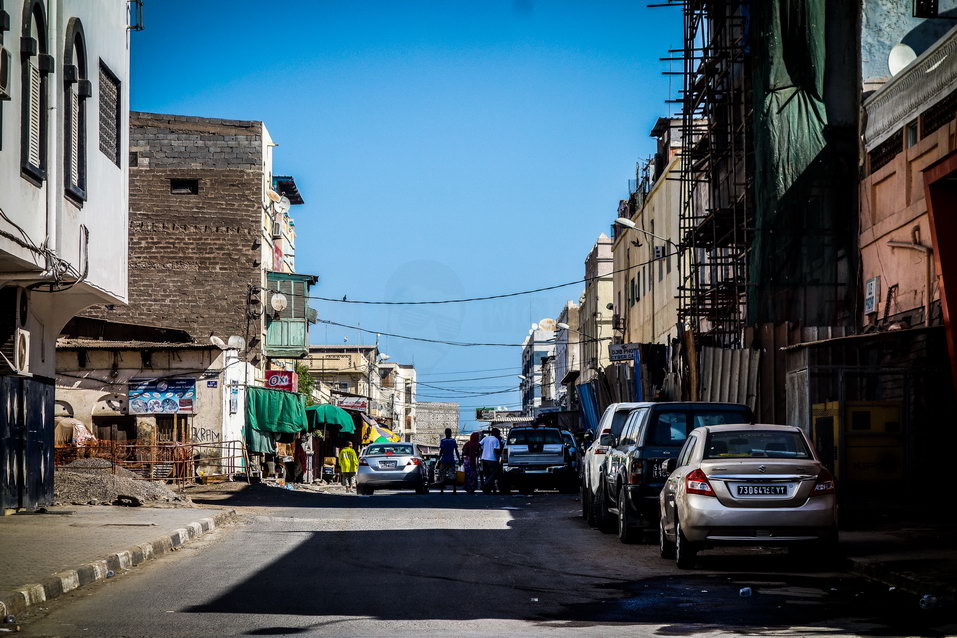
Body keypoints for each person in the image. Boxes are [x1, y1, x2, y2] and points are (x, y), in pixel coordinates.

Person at [437, 428, 461, 493]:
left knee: (442, 474)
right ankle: (454, 490)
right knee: (452, 475)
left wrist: (439, 459)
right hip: (451, 460)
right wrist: (459, 459)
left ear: (445, 433)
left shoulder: (443, 441)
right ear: (450, 433)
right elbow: (456, 451)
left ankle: (442, 490)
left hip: (444, 460)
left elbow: (441, 451)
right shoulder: (453, 441)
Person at [480, 428, 502, 494]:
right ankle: (485, 485)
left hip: (484, 459)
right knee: (494, 473)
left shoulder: (485, 438)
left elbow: (479, 444)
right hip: (492, 459)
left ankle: (488, 489)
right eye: (499, 433)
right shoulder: (496, 440)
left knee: (487, 474)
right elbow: (496, 450)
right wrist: (500, 453)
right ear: (496, 433)